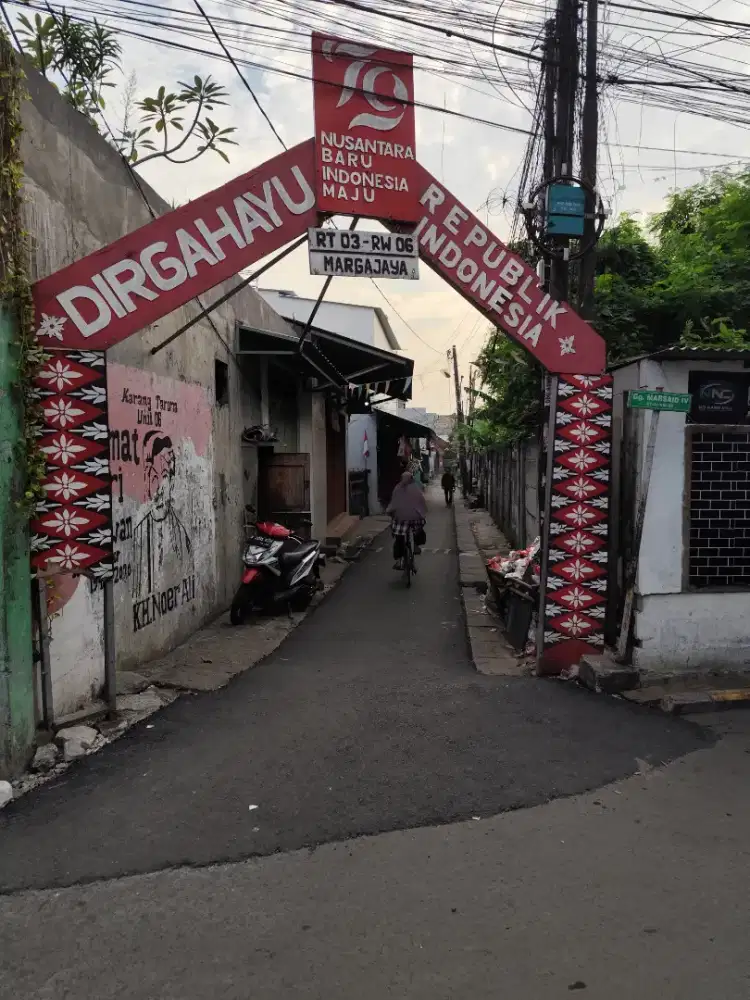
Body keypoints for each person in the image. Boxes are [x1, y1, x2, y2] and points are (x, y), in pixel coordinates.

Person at [386, 470, 427, 569]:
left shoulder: (397, 488)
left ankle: (399, 560)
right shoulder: (416, 488)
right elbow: (422, 502)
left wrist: (389, 512)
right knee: (418, 529)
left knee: (399, 536)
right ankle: (416, 546)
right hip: (415, 519)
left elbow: (393, 504)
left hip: (401, 520)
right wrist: (423, 513)